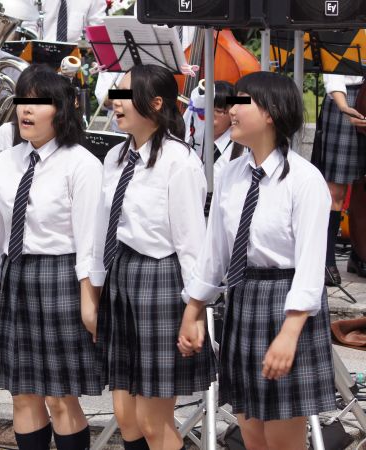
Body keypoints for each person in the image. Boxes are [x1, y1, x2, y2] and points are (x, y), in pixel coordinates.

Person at [180, 71, 336, 450]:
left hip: (287, 302)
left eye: (242, 101)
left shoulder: (304, 181)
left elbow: (310, 268)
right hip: (243, 297)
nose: (231, 109)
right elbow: (214, 252)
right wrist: (193, 308)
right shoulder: (230, 174)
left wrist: (289, 333)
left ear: (270, 112)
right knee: (251, 431)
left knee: (282, 436)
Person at [89, 64, 215, 450]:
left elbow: (192, 245)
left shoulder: (179, 161)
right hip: (121, 277)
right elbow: (100, 231)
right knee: (126, 417)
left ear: (156, 103)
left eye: (126, 95)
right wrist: (93, 293)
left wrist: (195, 312)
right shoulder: (115, 156)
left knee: (152, 421)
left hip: (161, 282)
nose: (115, 102)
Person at [0, 69, 103, 449]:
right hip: (16, 276)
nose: (26, 110)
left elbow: (90, 244)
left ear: (61, 109)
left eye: (37, 102)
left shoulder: (81, 164)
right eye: (22, 101)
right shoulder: (5, 161)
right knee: (22, 394)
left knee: (61, 397)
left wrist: (89, 303)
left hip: (61, 278)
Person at [314, 74, 366, 283]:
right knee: (336, 189)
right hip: (345, 97)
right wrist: (344, 106)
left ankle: (359, 252)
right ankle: (327, 261)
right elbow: (334, 75)